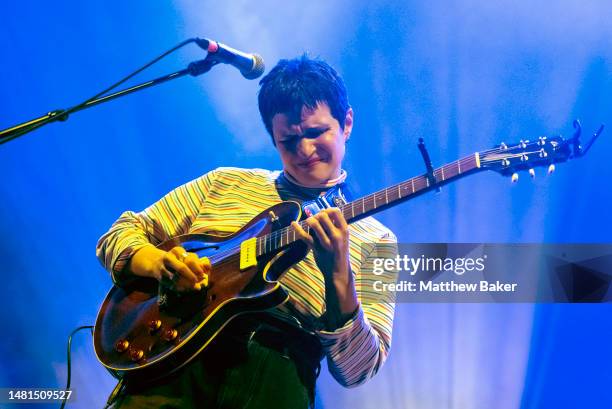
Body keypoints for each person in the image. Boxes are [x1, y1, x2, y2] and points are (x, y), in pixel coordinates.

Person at [97, 54, 397, 409]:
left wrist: (338, 274)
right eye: (288, 141)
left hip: (277, 382)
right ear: (273, 137)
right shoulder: (224, 182)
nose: (304, 150)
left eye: (316, 133)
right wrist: (161, 264)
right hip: (170, 373)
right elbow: (120, 233)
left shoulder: (379, 241)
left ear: (346, 122)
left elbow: (358, 370)